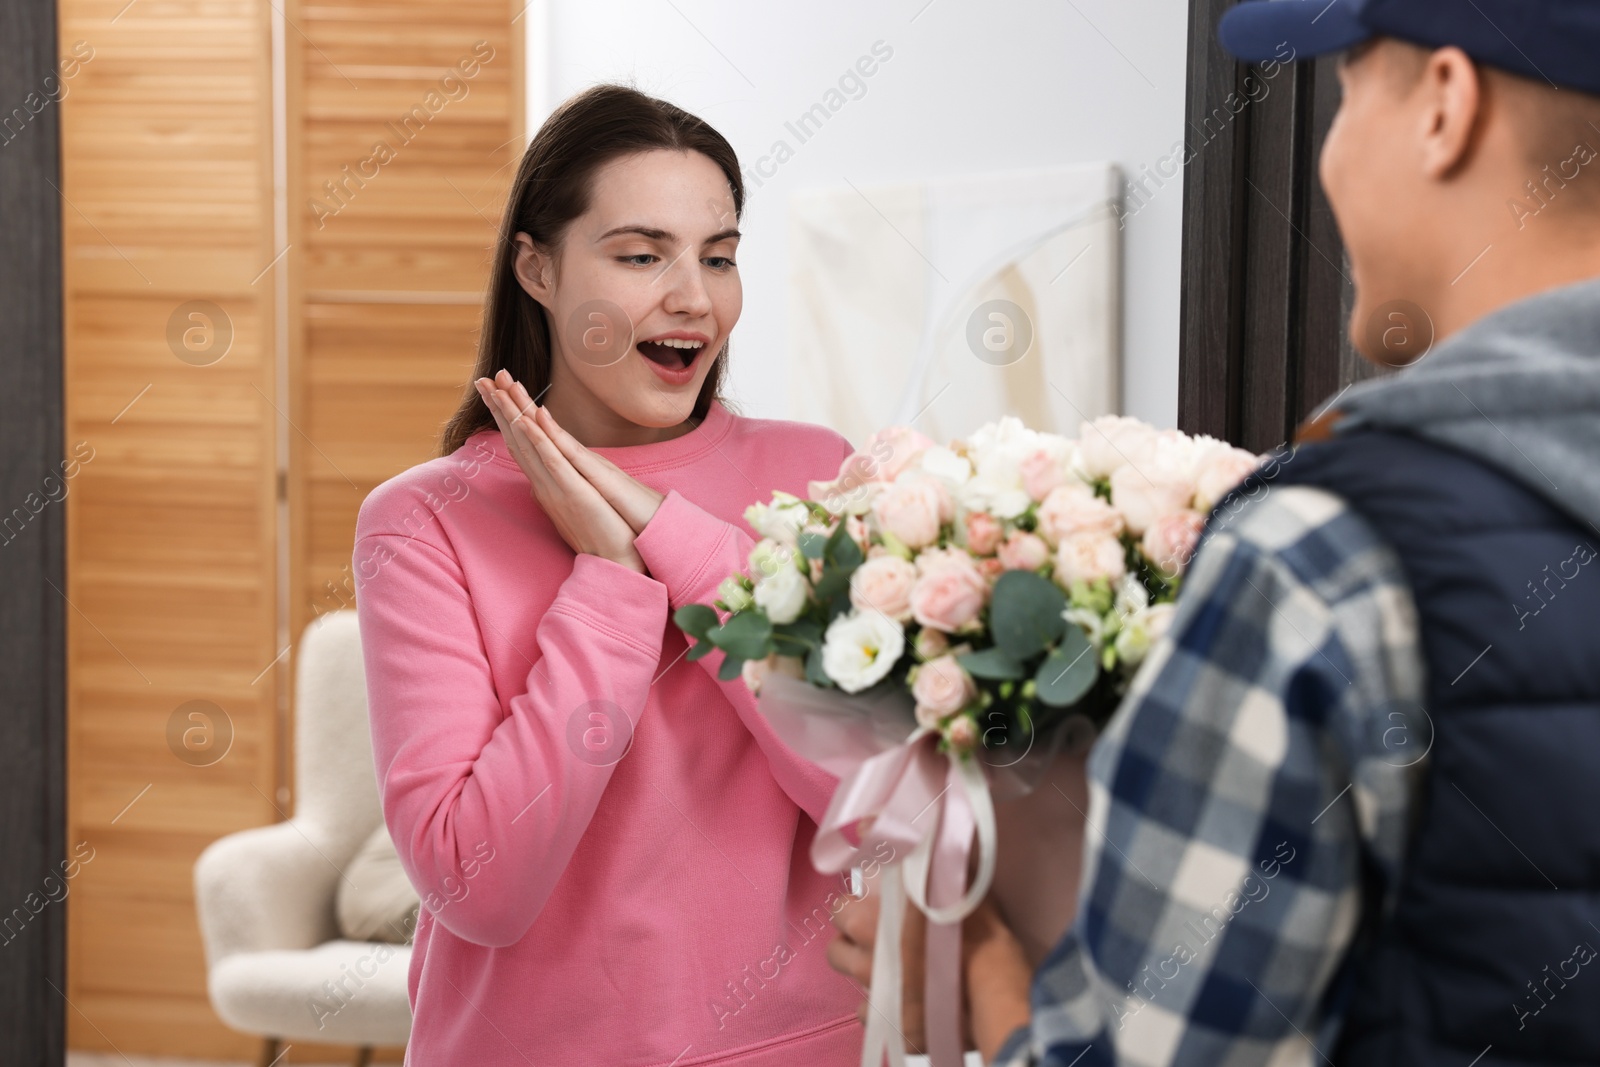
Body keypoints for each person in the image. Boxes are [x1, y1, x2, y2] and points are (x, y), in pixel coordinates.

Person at [828, 0, 1600, 1063]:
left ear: (1443, 106)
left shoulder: (1329, 553)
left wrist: (981, 978)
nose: (1330, 160)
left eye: (1343, 98)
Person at [353, 84, 869, 1065]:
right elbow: (478, 885)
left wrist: (676, 537)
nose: (693, 296)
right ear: (537, 268)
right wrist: (611, 582)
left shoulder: (812, 472)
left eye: (718, 256)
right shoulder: (424, 521)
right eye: (641, 254)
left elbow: (876, 792)